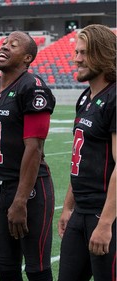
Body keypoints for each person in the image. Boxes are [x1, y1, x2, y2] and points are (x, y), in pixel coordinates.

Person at [0, 31, 56, 281]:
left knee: (36, 268)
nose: (5, 46)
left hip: (31, 191)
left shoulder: (32, 87)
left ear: (27, 58)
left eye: (14, 44)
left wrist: (20, 200)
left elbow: (34, 148)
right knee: (6, 267)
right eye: (4, 43)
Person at [57, 24, 116, 281]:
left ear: (103, 54)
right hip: (81, 212)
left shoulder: (114, 98)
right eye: (76, 52)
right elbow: (80, 160)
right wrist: (68, 206)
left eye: (84, 53)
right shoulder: (86, 97)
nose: (76, 58)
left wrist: (105, 224)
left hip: (106, 214)